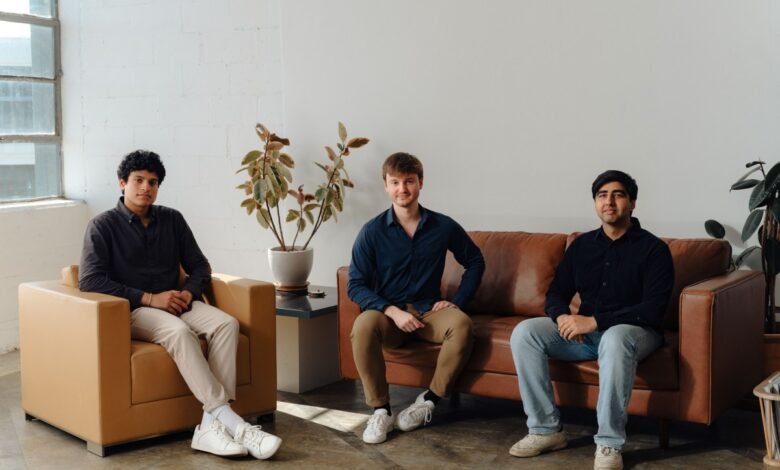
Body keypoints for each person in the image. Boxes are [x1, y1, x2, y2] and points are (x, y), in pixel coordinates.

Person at [79, 150, 282, 460]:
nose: (146, 187)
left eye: (153, 182)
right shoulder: (102, 226)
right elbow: (90, 281)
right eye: (138, 180)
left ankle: (209, 428)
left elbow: (200, 266)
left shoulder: (172, 219)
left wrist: (188, 292)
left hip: (178, 301)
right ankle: (233, 424)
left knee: (226, 324)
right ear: (122, 183)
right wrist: (148, 298)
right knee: (178, 333)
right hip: (133, 310)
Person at [508, 170, 674, 470]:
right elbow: (556, 292)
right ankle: (545, 430)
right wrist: (561, 317)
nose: (609, 201)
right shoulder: (582, 246)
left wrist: (595, 321)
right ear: (596, 203)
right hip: (588, 337)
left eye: (618, 194)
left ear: (633, 203)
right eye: (602, 196)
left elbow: (653, 308)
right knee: (525, 332)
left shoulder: (654, 250)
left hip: (637, 333)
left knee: (615, 336)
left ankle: (609, 443)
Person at [348, 152, 485, 444]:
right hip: (389, 317)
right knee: (362, 325)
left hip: (428, 311)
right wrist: (393, 312)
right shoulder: (371, 232)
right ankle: (381, 411)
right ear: (385, 186)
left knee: (461, 325)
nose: (402, 189)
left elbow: (475, 260)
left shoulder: (443, 226)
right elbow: (356, 285)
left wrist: (458, 300)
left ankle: (428, 402)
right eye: (395, 182)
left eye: (409, 181)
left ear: (420, 183)